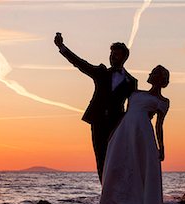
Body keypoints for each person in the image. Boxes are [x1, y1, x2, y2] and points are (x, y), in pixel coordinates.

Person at [54, 33, 138, 183]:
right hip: (98, 121)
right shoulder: (101, 72)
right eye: (111, 54)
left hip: (117, 124)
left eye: (116, 55)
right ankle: (105, 192)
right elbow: (80, 64)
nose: (112, 57)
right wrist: (62, 47)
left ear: (124, 57)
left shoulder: (131, 82)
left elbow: (132, 107)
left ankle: (119, 191)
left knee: (117, 159)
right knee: (101, 158)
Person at [97, 65, 170, 204]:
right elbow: (126, 114)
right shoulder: (136, 94)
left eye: (157, 73)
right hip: (125, 131)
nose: (152, 74)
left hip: (143, 134)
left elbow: (159, 125)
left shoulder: (163, 102)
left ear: (163, 79)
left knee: (140, 168)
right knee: (119, 165)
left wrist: (162, 147)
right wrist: (114, 131)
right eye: (152, 72)